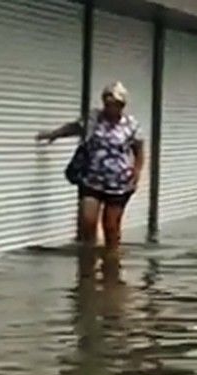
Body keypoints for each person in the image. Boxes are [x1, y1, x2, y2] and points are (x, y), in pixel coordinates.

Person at [37, 82, 145, 265]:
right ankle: (87, 263)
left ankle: (112, 265)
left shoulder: (131, 125)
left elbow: (139, 150)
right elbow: (73, 128)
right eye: (107, 102)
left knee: (111, 227)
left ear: (121, 105)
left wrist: (137, 171)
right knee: (87, 221)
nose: (109, 107)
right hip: (91, 180)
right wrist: (53, 134)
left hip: (119, 184)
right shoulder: (93, 119)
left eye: (114, 103)